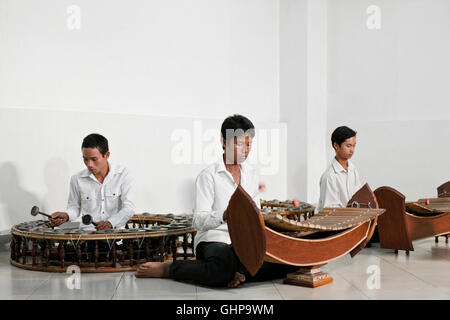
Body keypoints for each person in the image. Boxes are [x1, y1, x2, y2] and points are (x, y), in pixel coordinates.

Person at [136, 115, 297, 287]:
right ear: (223, 142)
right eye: (239, 144)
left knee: (288, 263)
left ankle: (235, 273)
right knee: (224, 264)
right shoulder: (208, 176)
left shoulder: (252, 174)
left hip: (243, 243)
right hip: (214, 240)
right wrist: (226, 215)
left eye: (249, 144)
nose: (245, 150)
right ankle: (169, 268)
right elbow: (199, 221)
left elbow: (255, 215)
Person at [49, 133, 135, 230]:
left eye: (94, 159)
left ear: (106, 155)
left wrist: (111, 222)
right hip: (87, 237)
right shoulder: (77, 179)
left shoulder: (123, 175)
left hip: (116, 237)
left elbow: (129, 208)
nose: (89, 164)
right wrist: (67, 215)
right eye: (85, 159)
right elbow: (74, 207)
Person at [317, 126, 362, 211]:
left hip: (351, 219)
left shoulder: (353, 169)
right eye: (348, 146)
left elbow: (358, 197)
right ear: (336, 145)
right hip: (336, 222)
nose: (352, 150)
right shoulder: (329, 177)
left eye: (354, 146)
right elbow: (330, 210)